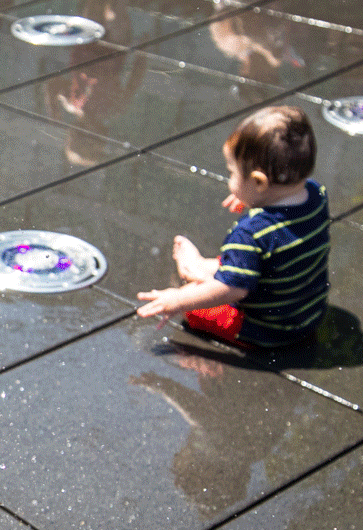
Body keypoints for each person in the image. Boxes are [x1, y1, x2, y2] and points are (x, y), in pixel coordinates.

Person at [133, 105, 331, 351]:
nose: (229, 179)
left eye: (232, 173)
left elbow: (232, 291)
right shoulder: (315, 195)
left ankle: (200, 272)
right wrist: (254, 196)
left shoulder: (250, 233)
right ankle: (208, 269)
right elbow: (280, 224)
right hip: (308, 314)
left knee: (197, 311)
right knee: (249, 260)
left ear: (259, 182)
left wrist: (177, 301)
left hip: (265, 330)